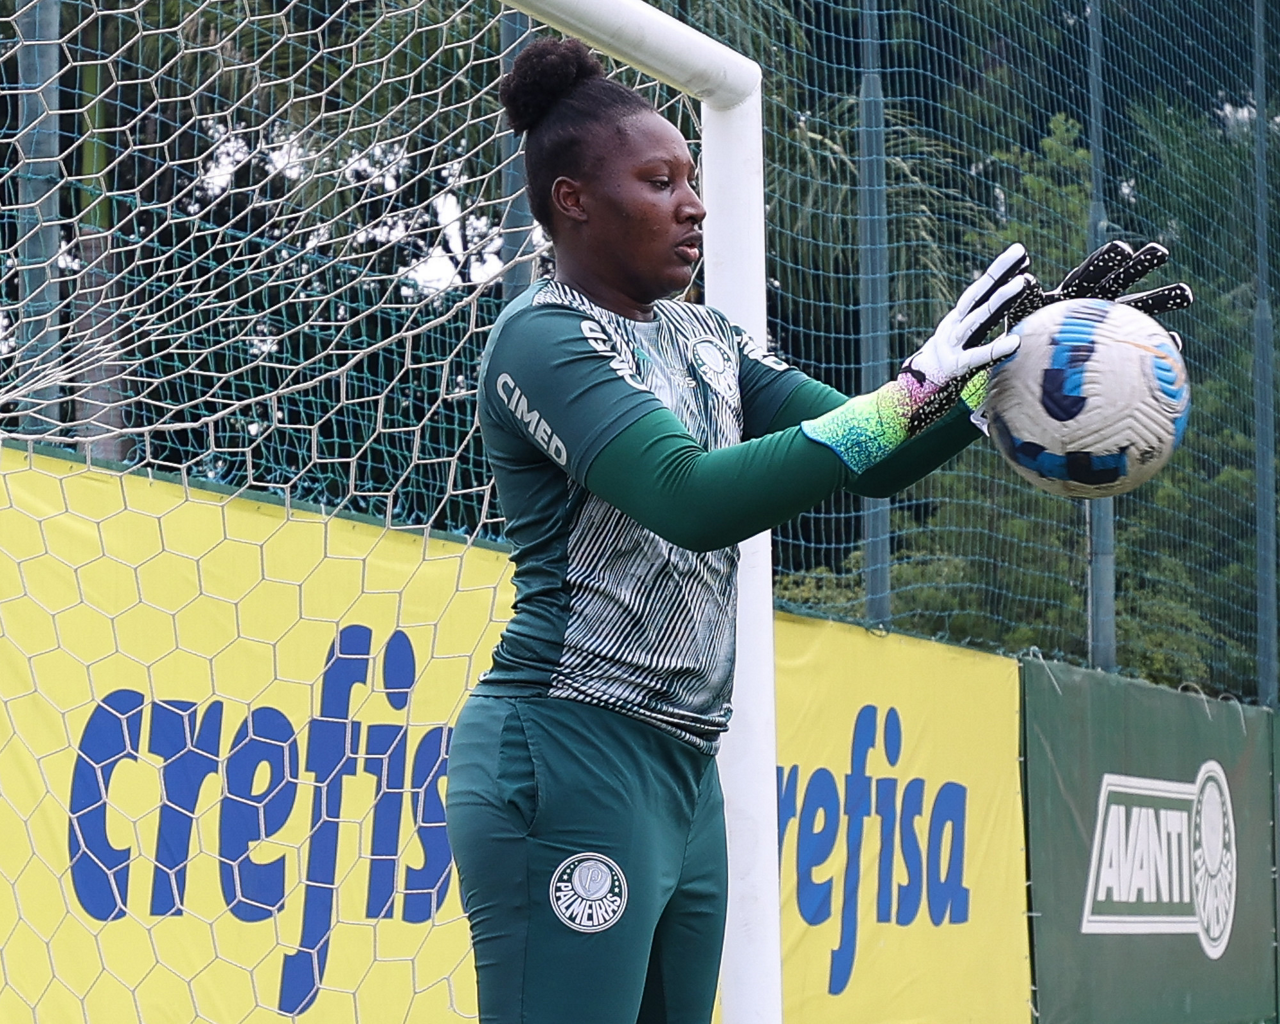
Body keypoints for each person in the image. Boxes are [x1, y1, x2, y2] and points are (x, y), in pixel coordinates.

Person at [444, 35, 1191, 1024]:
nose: (693, 204)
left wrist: (999, 378)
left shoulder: (705, 337)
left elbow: (873, 454)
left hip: (682, 769)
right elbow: (688, 497)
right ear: (573, 200)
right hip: (569, 747)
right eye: (660, 182)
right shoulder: (543, 336)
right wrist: (912, 391)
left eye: (692, 180)